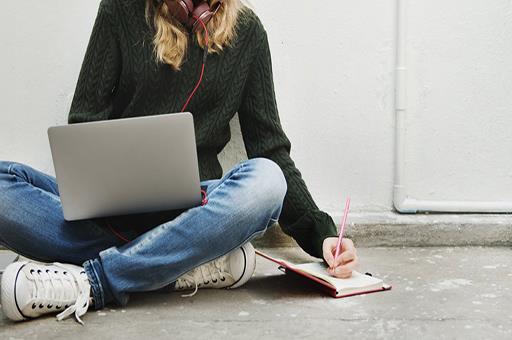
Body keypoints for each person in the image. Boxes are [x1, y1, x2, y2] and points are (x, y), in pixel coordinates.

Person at [0, 0, 359, 324]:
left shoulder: (248, 33)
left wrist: (321, 233)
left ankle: (93, 281)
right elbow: (83, 123)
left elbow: (270, 148)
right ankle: (178, 265)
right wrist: (103, 184)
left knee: (267, 180)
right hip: (111, 213)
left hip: (194, 212)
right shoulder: (119, 10)